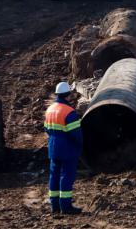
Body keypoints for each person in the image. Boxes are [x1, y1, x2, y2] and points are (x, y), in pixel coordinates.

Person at [44, 81, 83, 215]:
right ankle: (66, 206)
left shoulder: (50, 109)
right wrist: (80, 145)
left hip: (53, 147)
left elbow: (46, 129)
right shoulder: (69, 112)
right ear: (68, 95)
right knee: (66, 176)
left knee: (54, 175)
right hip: (67, 149)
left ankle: (55, 206)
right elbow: (76, 134)